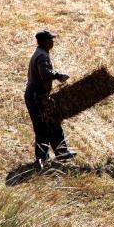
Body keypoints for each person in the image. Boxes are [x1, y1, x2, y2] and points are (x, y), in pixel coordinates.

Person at [25, 29, 76, 170]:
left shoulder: (41, 53)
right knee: (42, 127)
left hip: (38, 95)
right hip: (37, 96)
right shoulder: (41, 56)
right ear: (43, 41)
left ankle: (61, 152)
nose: (53, 41)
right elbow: (44, 73)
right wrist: (58, 75)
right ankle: (41, 160)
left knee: (53, 122)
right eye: (50, 39)